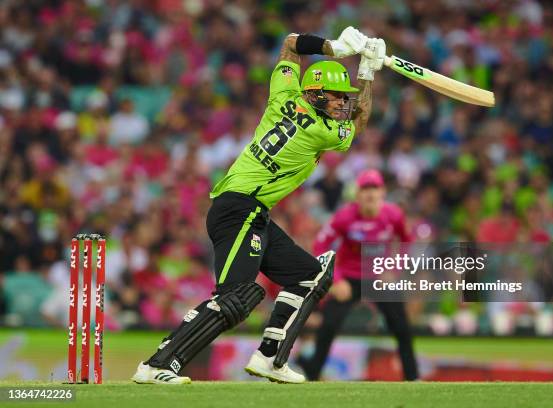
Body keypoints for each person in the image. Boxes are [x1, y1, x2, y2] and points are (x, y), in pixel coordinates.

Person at [131, 27, 386, 384]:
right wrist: (367, 72)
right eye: (336, 97)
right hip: (238, 210)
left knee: (309, 276)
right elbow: (359, 121)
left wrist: (332, 47)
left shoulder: (283, 93)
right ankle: (158, 365)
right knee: (237, 296)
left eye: (346, 97)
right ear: (314, 96)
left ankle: (270, 358)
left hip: (250, 211)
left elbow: (289, 44)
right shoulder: (320, 130)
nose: (343, 104)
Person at [298, 169, 419, 381]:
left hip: (380, 278)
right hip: (349, 279)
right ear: (357, 195)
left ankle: (413, 377)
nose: (370, 194)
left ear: (383, 192)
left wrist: (394, 268)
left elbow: (407, 241)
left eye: (374, 188)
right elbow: (320, 244)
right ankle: (312, 375)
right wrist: (335, 281)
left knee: (401, 326)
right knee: (329, 325)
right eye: (365, 189)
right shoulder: (344, 216)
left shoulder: (393, 215)